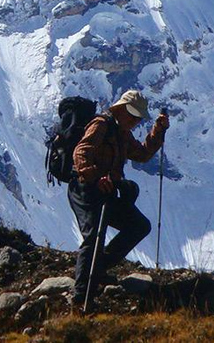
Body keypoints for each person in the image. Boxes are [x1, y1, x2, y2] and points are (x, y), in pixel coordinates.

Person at [69, 89, 169, 307]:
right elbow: (81, 152)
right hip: (85, 188)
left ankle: (98, 269)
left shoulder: (121, 133)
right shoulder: (101, 125)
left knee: (139, 226)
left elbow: (142, 154)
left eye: (137, 118)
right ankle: (81, 295)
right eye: (132, 116)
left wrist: (157, 131)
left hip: (105, 190)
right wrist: (95, 177)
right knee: (93, 235)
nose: (134, 121)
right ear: (121, 110)